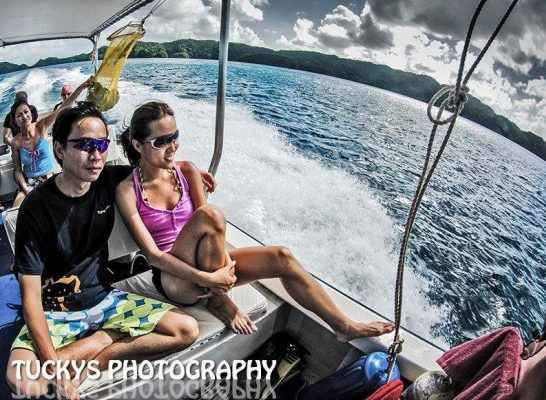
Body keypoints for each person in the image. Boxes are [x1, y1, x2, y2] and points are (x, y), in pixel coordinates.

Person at [117, 101, 395, 339]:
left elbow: (213, 234)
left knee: (282, 256)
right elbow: (153, 256)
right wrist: (210, 279)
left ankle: (343, 326)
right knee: (210, 214)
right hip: (177, 280)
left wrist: (221, 268)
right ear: (138, 146)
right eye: (160, 141)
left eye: (174, 136)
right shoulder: (128, 190)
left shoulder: (187, 171)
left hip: (210, 266)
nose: (172, 146)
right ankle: (219, 300)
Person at [5, 102, 201, 400]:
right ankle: (105, 337)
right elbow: (30, 298)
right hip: (56, 309)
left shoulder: (111, 180)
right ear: (59, 150)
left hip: (105, 298)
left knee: (186, 329)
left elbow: (154, 165)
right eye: (84, 145)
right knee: (22, 381)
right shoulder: (36, 209)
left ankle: (104, 351)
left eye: (101, 145)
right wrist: (56, 374)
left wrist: (190, 172)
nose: (96, 156)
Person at [10, 79, 89, 207]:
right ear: (14, 120)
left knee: (64, 205)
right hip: (29, 183)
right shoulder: (16, 143)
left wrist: (82, 87)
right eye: (19, 115)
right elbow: (18, 171)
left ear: (30, 112)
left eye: (26, 112)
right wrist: (25, 188)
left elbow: (64, 106)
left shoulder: (41, 126)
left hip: (50, 180)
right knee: (15, 212)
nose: (24, 117)